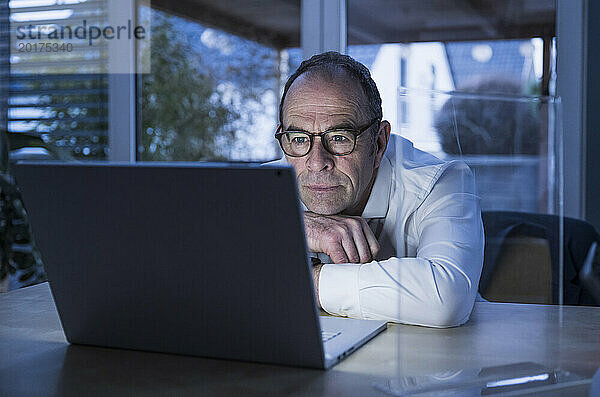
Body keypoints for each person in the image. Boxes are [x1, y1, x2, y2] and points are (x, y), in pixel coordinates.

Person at [271, 51, 484, 327]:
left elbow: (447, 298)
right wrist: (292, 226)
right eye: (299, 139)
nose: (316, 163)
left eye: (339, 137)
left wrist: (299, 281)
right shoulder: (265, 187)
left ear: (379, 143)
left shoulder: (442, 182)